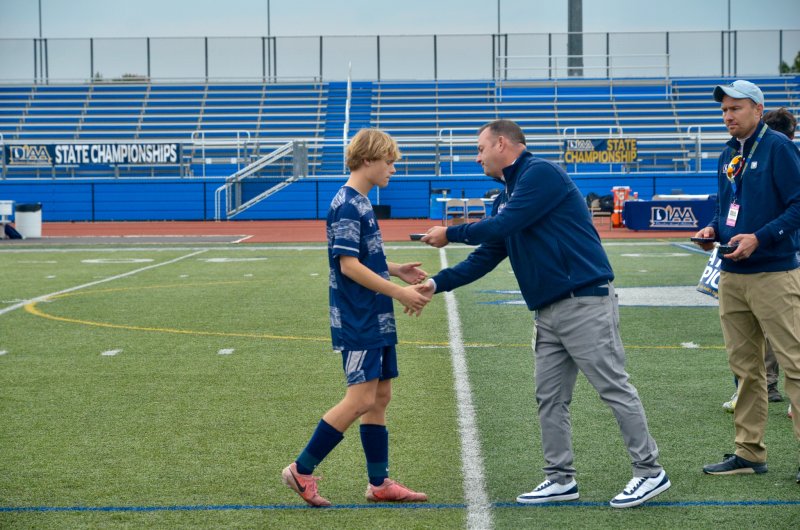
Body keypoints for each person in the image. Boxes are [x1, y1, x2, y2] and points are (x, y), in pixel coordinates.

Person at [420, 119, 670, 508]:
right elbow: (488, 254)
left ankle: (649, 471)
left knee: (613, 388)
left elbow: (504, 224)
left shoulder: (540, 174)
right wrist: (435, 284)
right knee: (549, 397)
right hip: (548, 309)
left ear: (502, 144)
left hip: (583, 300)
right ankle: (559, 478)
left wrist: (450, 233)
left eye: (480, 147)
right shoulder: (508, 194)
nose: (477, 156)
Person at [282, 128, 431, 506]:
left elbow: (364, 258)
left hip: (374, 314)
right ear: (368, 161)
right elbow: (348, 266)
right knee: (360, 398)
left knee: (380, 396)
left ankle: (379, 483)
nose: (393, 169)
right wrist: (398, 291)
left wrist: (395, 269)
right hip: (359, 316)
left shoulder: (361, 201)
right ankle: (301, 469)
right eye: (388, 161)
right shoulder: (347, 204)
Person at [693, 81, 800, 484]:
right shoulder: (727, 153)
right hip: (733, 275)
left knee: (795, 365)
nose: (728, 116)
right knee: (745, 369)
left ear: (758, 109)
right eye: (724, 111)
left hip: (774, 273)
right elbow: (727, 211)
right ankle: (748, 451)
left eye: (736, 108)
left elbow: (798, 204)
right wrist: (712, 231)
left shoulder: (779, 148)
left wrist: (761, 237)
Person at [764, 107, 798, 419]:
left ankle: (770, 385)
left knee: (779, 332)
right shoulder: (786, 152)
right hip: (786, 252)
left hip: (783, 255)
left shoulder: (778, 154)